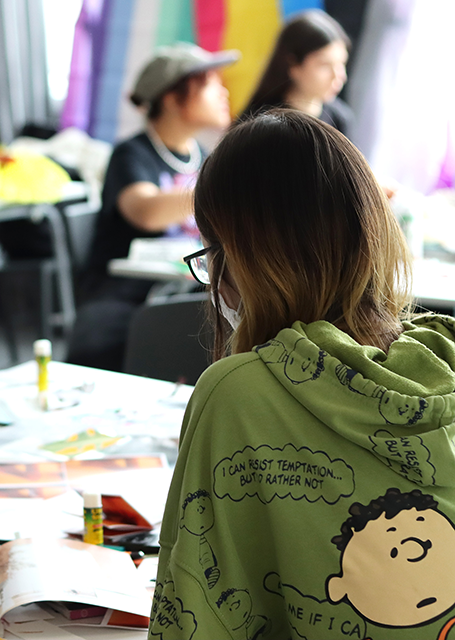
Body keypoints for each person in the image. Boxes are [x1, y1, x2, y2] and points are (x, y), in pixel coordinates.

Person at [150, 109, 455, 639]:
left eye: (214, 254)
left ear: (244, 260)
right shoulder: (443, 360)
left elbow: (194, 617)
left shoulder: (237, 393)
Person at [68, 42, 237, 372]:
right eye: (210, 84)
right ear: (172, 98)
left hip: (181, 291)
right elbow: (145, 212)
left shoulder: (202, 156)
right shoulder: (131, 154)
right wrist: (225, 188)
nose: (223, 93)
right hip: (124, 300)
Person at [242, 9, 353, 137]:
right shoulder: (261, 124)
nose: (338, 76)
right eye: (324, 65)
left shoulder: (340, 119)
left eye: (342, 64)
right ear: (293, 64)